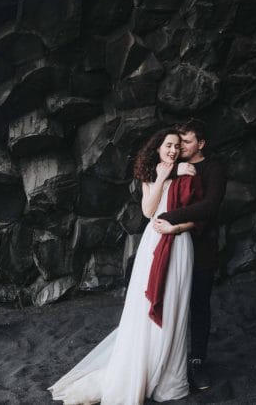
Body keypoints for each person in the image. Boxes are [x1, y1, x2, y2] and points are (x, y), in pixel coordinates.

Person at [48, 129, 201, 404]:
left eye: (177, 146)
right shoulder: (151, 176)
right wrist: (165, 175)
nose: (173, 150)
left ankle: (168, 376)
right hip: (154, 242)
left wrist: (176, 217)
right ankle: (145, 366)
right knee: (145, 308)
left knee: (176, 306)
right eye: (168, 145)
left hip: (179, 244)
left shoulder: (187, 174)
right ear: (158, 148)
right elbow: (148, 210)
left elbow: (198, 214)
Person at [153, 118, 226, 390]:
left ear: (201, 144)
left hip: (201, 246)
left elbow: (209, 206)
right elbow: (150, 178)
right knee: (170, 302)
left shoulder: (214, 167)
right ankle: (168, 361)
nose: (180, 146)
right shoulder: (170, 163)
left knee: (198, 305)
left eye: (187, 141)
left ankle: (197, 363)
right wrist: (173, 173)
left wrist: (171, 217)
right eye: (178, 141)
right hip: (169, 247)